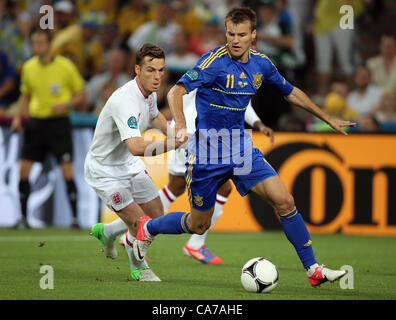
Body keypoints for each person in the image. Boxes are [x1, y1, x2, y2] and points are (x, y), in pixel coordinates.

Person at [132, 7, 355, 287]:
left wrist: (327, 117)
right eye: (230, 34)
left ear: (253, 35)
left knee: (284, 201)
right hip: (207, 154)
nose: (235, 40)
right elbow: (177, 90)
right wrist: (179, 123)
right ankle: (148, 227)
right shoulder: (213, 62)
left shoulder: (262, 63)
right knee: (198, 224)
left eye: (241, 34)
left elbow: (291, 92)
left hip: (241, 151)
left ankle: (313, 270)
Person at [86, 44, 186, 282]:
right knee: (139, 223)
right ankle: (138, 268)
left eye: (161, 70)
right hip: (105, 171)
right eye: (151, 70)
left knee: (155, 217)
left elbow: (153, 115)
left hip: (128, 165)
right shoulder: (124, 101)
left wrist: (171, 132)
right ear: (137, 70)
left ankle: (108, 232)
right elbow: (136, 146)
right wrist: (172, 144)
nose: (157, 76)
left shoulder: (149, 92)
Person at [157, 89, 272, 265]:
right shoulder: (213, 67)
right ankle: (193, 243)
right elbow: (177, 93)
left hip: (200, 135)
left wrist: (259, 124)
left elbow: (242, 103)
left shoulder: (230, 71)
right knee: (222, 188)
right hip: (196, 136)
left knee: (176, 188)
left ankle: (132, 231)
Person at [11, 28, 86, 230]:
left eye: (41, 42)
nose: (37, 47)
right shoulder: (28, 67)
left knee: (67, 170)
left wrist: (67, 104)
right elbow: (25, 94)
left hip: (58, 124)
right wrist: (18, 117)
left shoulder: (65, 66)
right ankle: (23, 218)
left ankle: (74, 219)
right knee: (23, 169)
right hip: (36, 123)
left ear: (50, 44)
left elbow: (81, 93)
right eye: (34, 43)